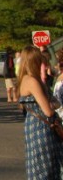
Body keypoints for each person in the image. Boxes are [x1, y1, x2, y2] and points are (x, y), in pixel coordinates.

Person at [18, 45, 63, 178]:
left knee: (39, 165)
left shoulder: (25, 79)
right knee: (46, 166)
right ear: (35, 62)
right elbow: (49, 111)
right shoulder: (33, 81)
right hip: (42, 128)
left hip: (34, 125)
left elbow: (55, 102)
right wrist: (51, 104)